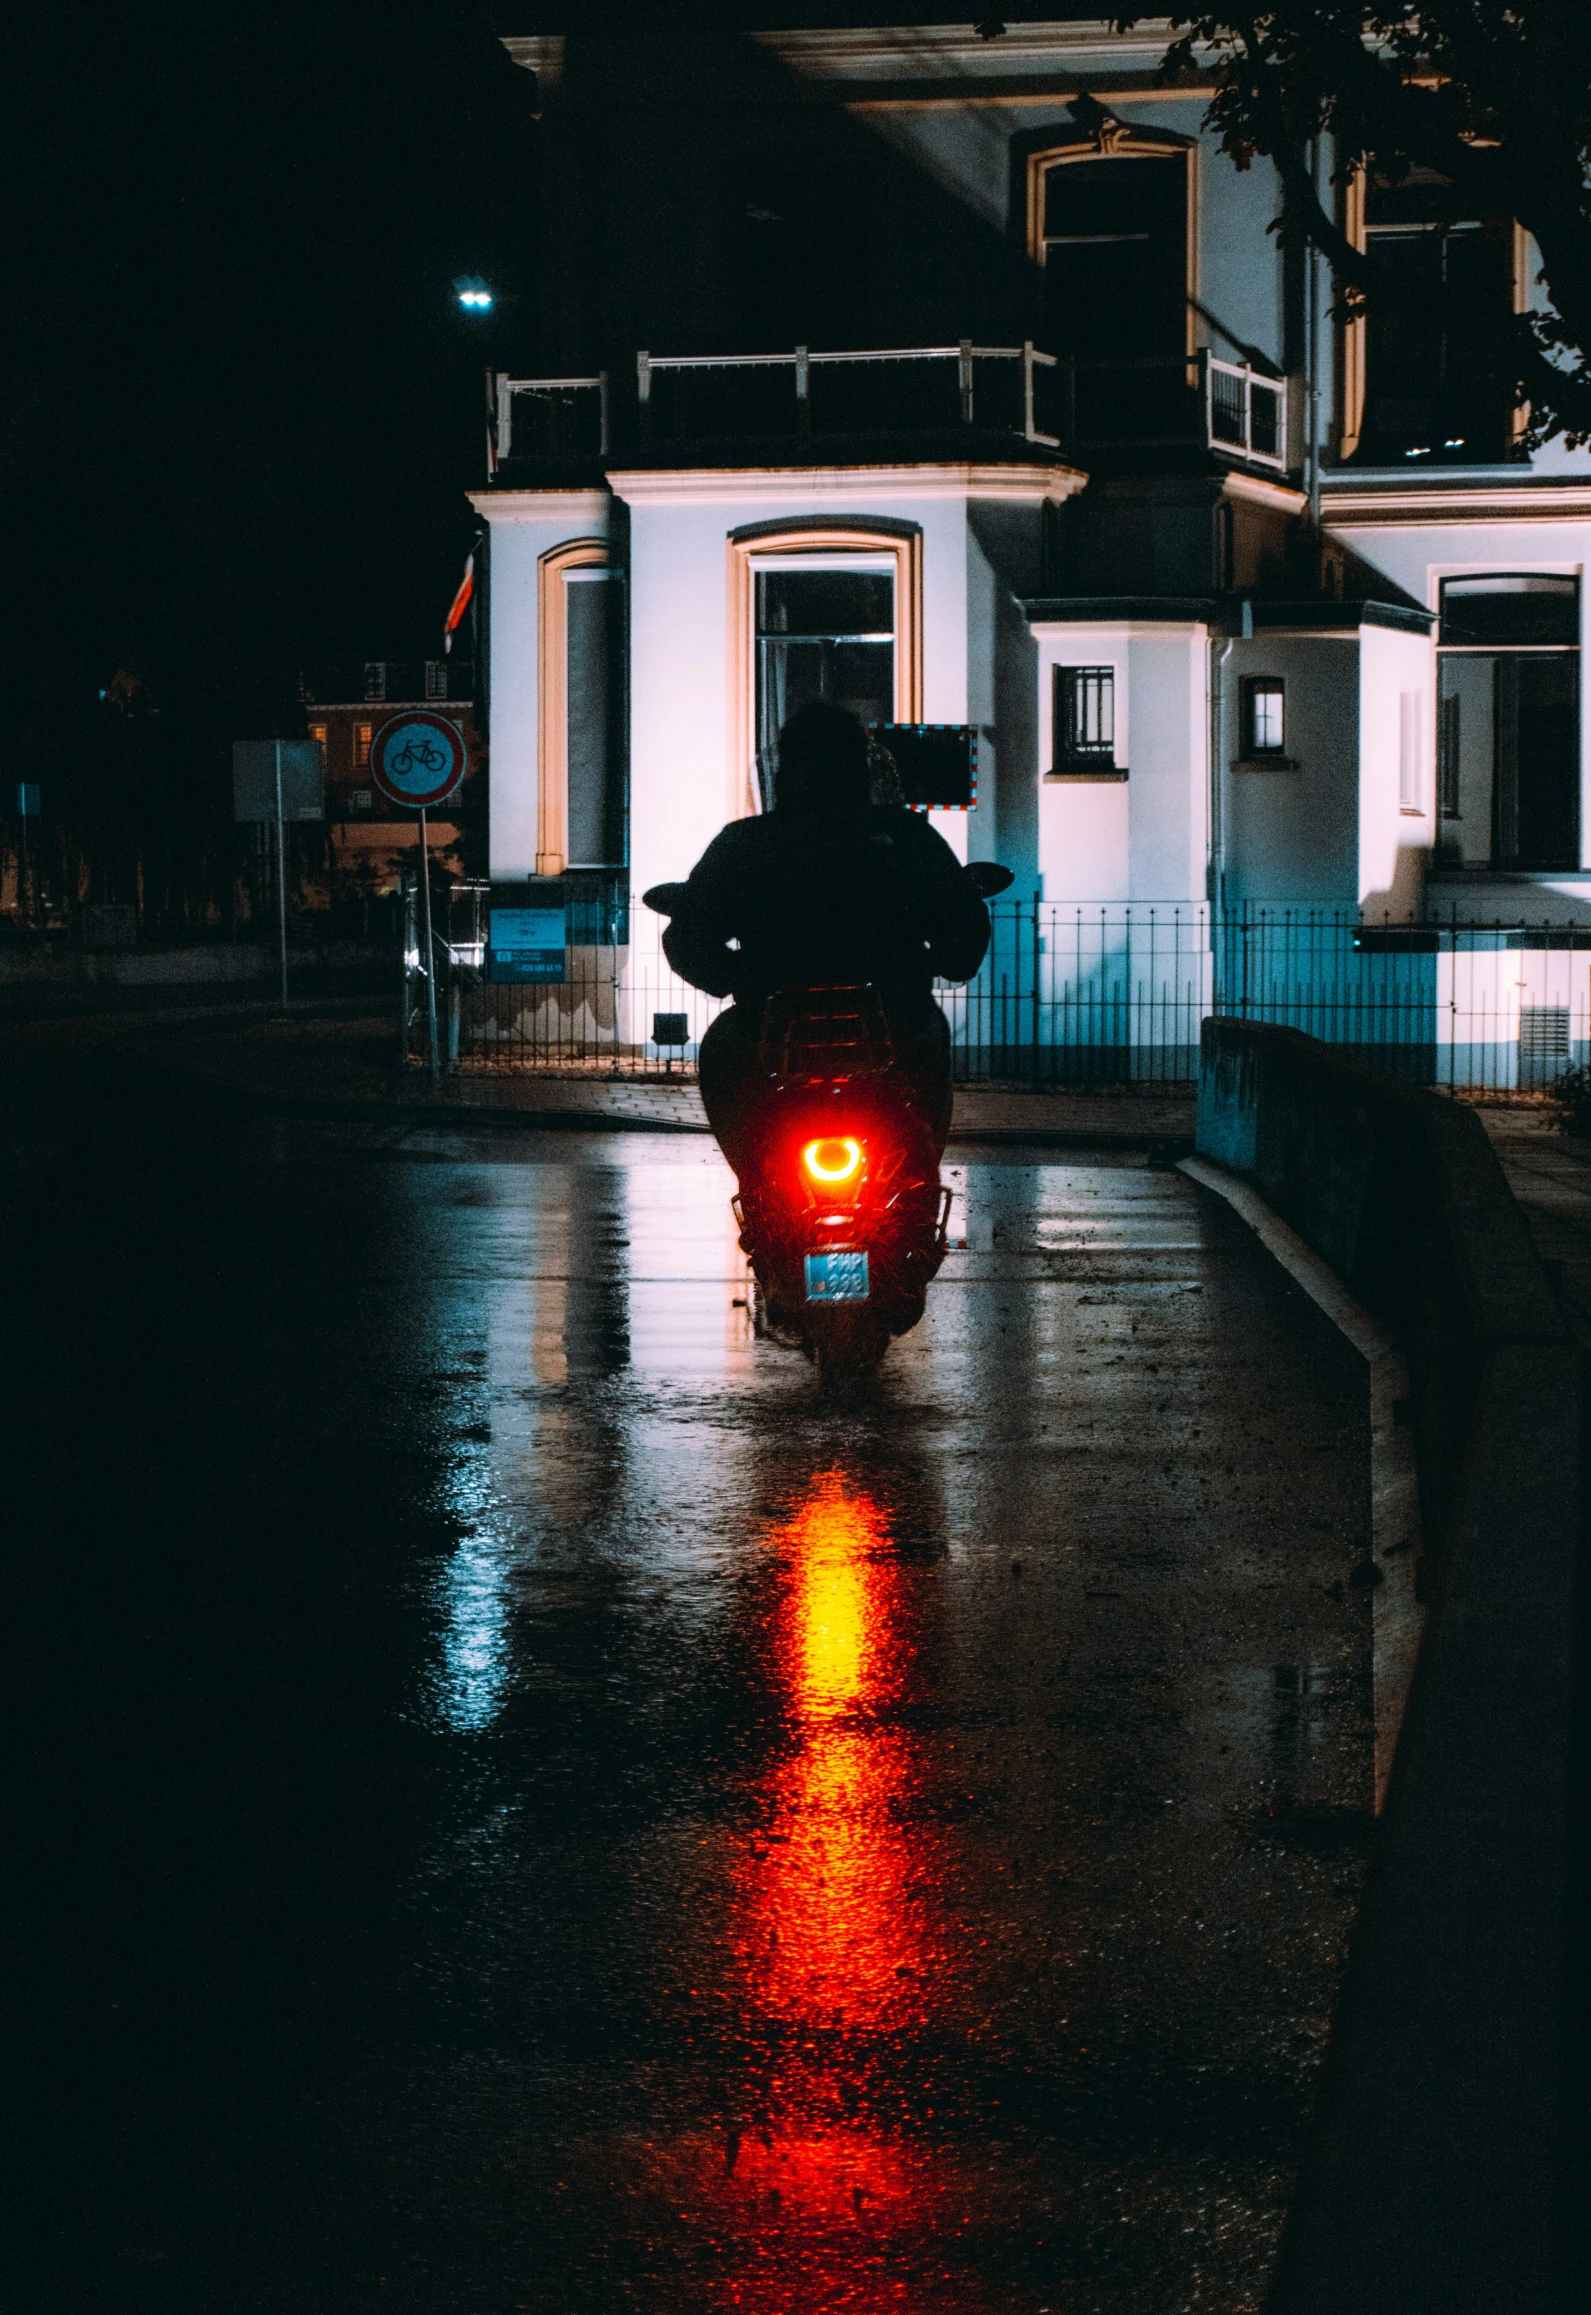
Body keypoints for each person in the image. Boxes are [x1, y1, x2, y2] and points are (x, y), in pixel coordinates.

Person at [661, 701, 991, 1170]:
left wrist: (738, 977)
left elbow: (688, 937)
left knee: (721, 1048)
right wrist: (943, 959)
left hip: (773, 1024)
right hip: (893, 1017)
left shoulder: (746, 844)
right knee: (931, 1041)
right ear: (860, 767)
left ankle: (756, 1180)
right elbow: (961, 922)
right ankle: (918, 1176)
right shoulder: (906, 837)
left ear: (784, 771)